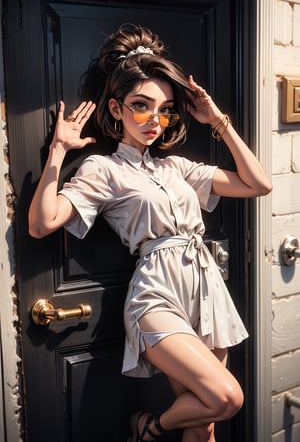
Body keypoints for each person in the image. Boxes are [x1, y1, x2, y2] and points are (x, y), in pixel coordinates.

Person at [28, 24, 272, 442]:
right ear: (116, 107)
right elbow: (41, 223)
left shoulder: (176, 167)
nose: (154, 120)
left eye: (165, 109)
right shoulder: (102, 169)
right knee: (227, 398)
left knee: (205, 426)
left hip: (206, 290)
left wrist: (218, 121)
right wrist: (58, 151)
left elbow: (258, 184)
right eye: (141, 105)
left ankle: (152, 428)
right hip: (155, 294)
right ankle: (150, 428)